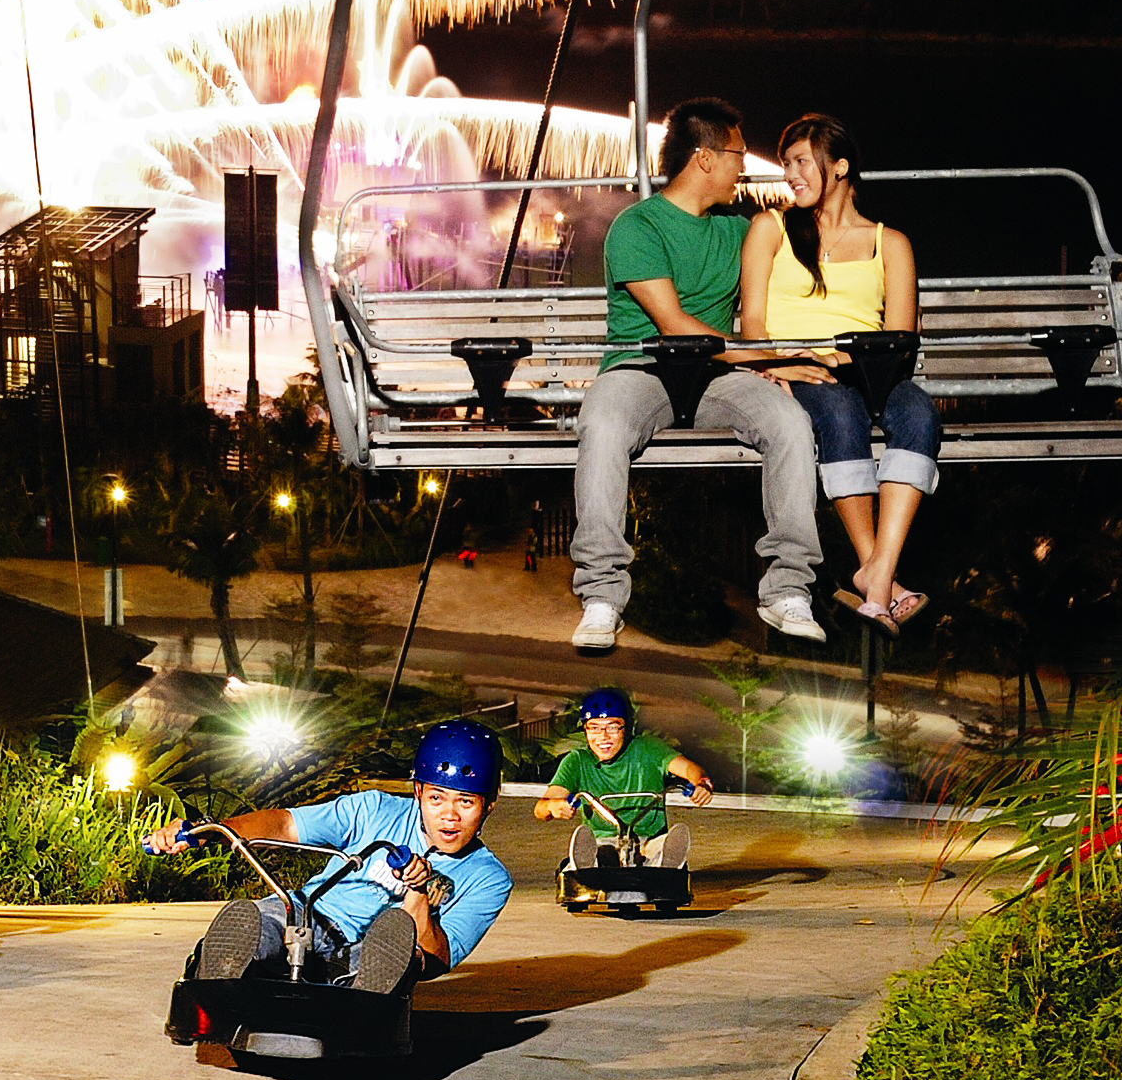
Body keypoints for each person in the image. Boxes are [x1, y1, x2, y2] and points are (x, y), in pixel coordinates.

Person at [572, 96, 825, 652]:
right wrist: (771, 360)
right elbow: (677, 327)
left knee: (788, 421)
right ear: (705, 158)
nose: (745, 167)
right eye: (737, 153)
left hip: (716, 378)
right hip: (643, 366)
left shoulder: (738, 231)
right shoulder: (636, 227)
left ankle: (788, 589)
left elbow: (815, 247)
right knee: (604, 424)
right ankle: (602, 595)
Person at [739, 112, 935, 633]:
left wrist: (846, 361)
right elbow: (752, 322)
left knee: (918, 412)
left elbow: (898, 339)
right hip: (799, 371)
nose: (791, 174)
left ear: (840, 167)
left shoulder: (889, 243)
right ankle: (883, 584)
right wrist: (788, 362)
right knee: (840, 410)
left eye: (801, 162)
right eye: (786, 164)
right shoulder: (772, 229)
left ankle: (878, 572)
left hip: (867, 370)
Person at [141, 719, 514, 993]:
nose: (449, 815)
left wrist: (418, 893)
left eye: (465, 801)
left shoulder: (489, 879)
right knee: (266, 919)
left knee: (399, 952)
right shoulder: (373, 810)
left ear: (490, 803)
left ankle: (358, 992)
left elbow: (438, 960)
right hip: (308, 916)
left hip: (364, 949)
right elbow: (285, 826)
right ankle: (224, 969)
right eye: (437, 798)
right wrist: (208, 832)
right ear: (418, 791)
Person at [535, 687, 713, 871]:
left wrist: (701, 783)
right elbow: (541, 807)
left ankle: (664, 864)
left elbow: (690, 769)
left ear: (625, 728)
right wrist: (553, 806)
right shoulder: (577, 761)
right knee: (600, 853)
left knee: (658, 848)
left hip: (648, 839)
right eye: (594, 728)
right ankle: (589, 866)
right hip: (603, 841)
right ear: (585, 730)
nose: (603, 737)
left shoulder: (648, 748)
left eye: (612, 727)